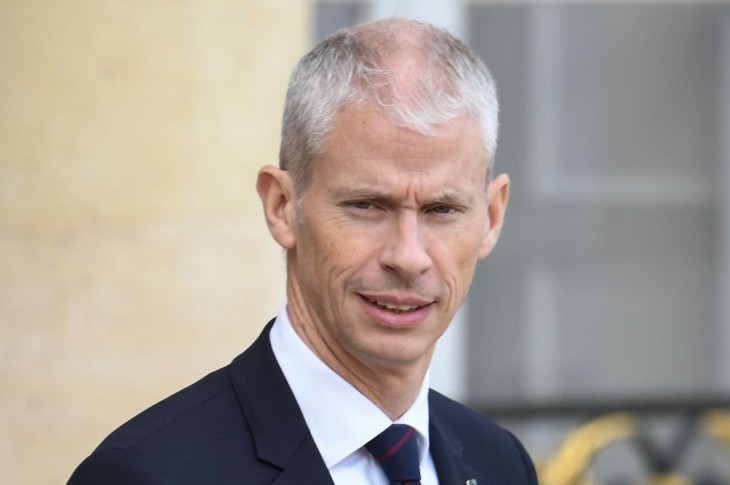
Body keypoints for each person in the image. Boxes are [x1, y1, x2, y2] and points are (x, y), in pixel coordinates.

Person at [69, 18, 537, 484]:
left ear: (491, 217)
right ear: (281, 206)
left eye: (442, 209)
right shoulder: (147, 474)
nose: (409, 256)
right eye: (367, 205)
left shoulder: (500, 462)